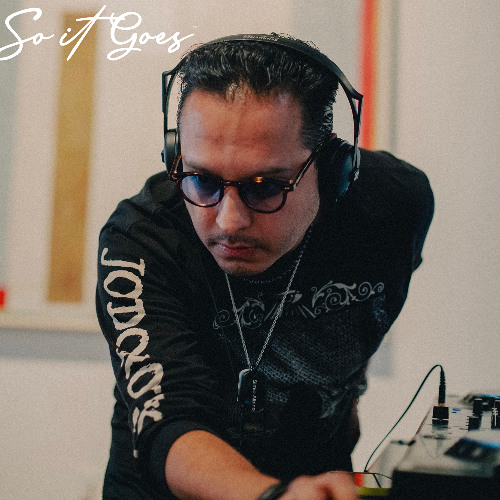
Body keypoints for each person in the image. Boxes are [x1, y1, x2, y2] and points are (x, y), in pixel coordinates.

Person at [96, 33, 434, 500]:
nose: (229, 222)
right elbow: (171, 423)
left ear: (332, 170)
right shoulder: (141, 239)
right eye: (202, 180)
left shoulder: (394, 206)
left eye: (265, 186)